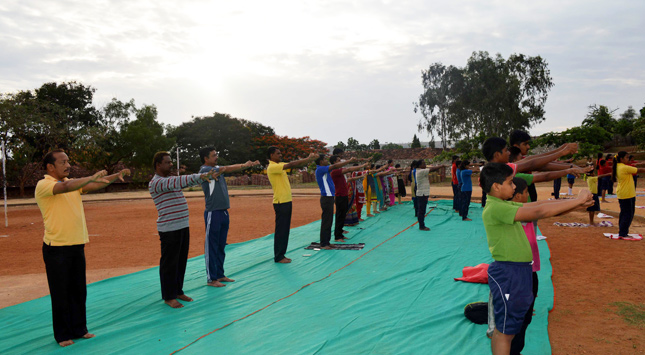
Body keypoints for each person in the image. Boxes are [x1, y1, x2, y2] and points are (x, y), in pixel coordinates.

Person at [480, 163, 592, 355]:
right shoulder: (495, 208)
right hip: (510, 274)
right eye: (510, 183)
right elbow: (539, 212)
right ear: (496, 186)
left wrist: (576, 201)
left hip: (519, 271)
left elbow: (539, 205)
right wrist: (578, 199)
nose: (514, 186)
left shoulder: (503, 204)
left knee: (512, 327)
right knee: (505, 331)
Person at [35, 149, 130, 347]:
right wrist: (89, 177)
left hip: (76, 245)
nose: (68, 165)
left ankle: (80, 329)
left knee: (78, 291)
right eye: (63, 162)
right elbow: (68, 185)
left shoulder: (72, 184)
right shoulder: (44, 185)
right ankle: (62, 335)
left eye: (68, 161)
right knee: (61, 293)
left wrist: (114, 176)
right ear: (50, 167)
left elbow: (95, 184)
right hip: (57, 249)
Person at [149, 151, 219, 308]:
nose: (171, 165)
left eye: (171, 162)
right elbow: (179, 181)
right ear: (158, 165)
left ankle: (178, 291)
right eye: (167, 162)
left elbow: (183, 182)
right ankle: (169, 296)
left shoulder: (169, 180)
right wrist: (199, 176)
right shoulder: (157, 183)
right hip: (169, 229)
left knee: (180, 261)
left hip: (182, 226)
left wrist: (201, 179)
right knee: (169, 263)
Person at [198, 147, 259, 287]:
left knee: (221, 245)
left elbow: (225, 168)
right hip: (213, 213)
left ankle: (219, 274)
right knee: (212, 246)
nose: (216, 157)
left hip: (223, 212)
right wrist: (244, 165)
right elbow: (227, 168)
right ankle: (211, 278)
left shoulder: (216, 168)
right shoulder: (205, 171)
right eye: (213, 155)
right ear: (206, 159)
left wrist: (244, 165)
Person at [267, 147, 318, 263]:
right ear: (271, 155)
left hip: (286, 201)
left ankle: (281, 254)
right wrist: (308, 158)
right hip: (281, 202)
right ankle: (279, 256)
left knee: (285, 230)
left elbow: (294, 164)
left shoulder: (279, 165)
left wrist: (308, 160)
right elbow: (291, 164)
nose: (280, 155)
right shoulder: (273, 167)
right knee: (281, 230)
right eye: (278, 153)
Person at [612, 151, 645, 239]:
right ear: (621, 159)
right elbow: (640, 170)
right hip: (626, 193)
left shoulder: (620, 166)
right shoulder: (623, 167)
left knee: (624, 213)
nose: (628, 159)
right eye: (626, 157)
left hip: (625, 193)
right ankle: (623, 232)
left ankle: (622, 231)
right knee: (628, 214)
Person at [414, 160, 445, 231]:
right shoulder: (421, 171)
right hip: (422, 193)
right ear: (419, 165)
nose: (425, 165)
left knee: (422, 210)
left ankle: (421, 225)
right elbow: (432, 169)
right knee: (421, 211)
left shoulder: (420, 170)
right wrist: (441, 166)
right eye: (423, 163)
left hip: (423, 193)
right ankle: (421, 226)